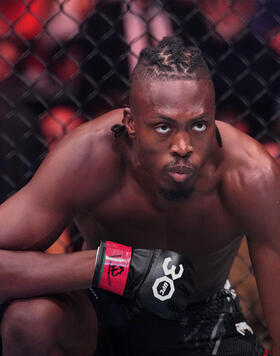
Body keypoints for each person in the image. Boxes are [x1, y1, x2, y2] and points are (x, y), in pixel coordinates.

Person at [0, 36, 278, 356]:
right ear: (130, 122)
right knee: (30, 321)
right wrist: (111, 266)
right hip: (102, 309)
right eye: (163, 127)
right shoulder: (87, 158)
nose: (183, 146)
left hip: (203, 314)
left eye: (199, 125)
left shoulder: (251, 175)